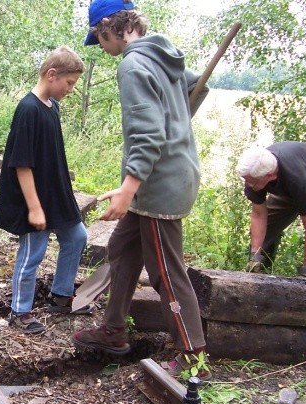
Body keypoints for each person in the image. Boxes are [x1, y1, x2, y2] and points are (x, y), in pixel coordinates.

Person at [71, 0, 211, 379]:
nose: (100, 47)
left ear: (107, 27)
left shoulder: (134, 63)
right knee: (121, 249)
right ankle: (114, 331)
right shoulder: (164, 55)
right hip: (168, 175)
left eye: (98, 39)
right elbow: (201, 85)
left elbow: (147, 135)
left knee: (166, 271)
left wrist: (128, 187)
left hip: (158, 185)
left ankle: (193, 354)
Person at [0, 46, 91, 335]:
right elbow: (22, 164)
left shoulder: (52, 106)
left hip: (55, 193)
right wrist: (35, 207)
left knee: (77, 236)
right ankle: (20, 311)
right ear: (51, 75)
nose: (71, 89)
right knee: (32, 253)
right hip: (32, 197)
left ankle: (61, 295)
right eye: (69, 83)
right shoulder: (28, 109)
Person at [237, 141, 306, 280]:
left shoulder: (298, 179)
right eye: (246, 180)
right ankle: (258, 278)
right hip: (293, 185)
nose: (248, 185)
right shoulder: (254, 172)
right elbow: (259, 215)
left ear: (270, 175)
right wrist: (255, 256)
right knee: (268, 231)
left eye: (252, 181)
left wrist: (305, 269)